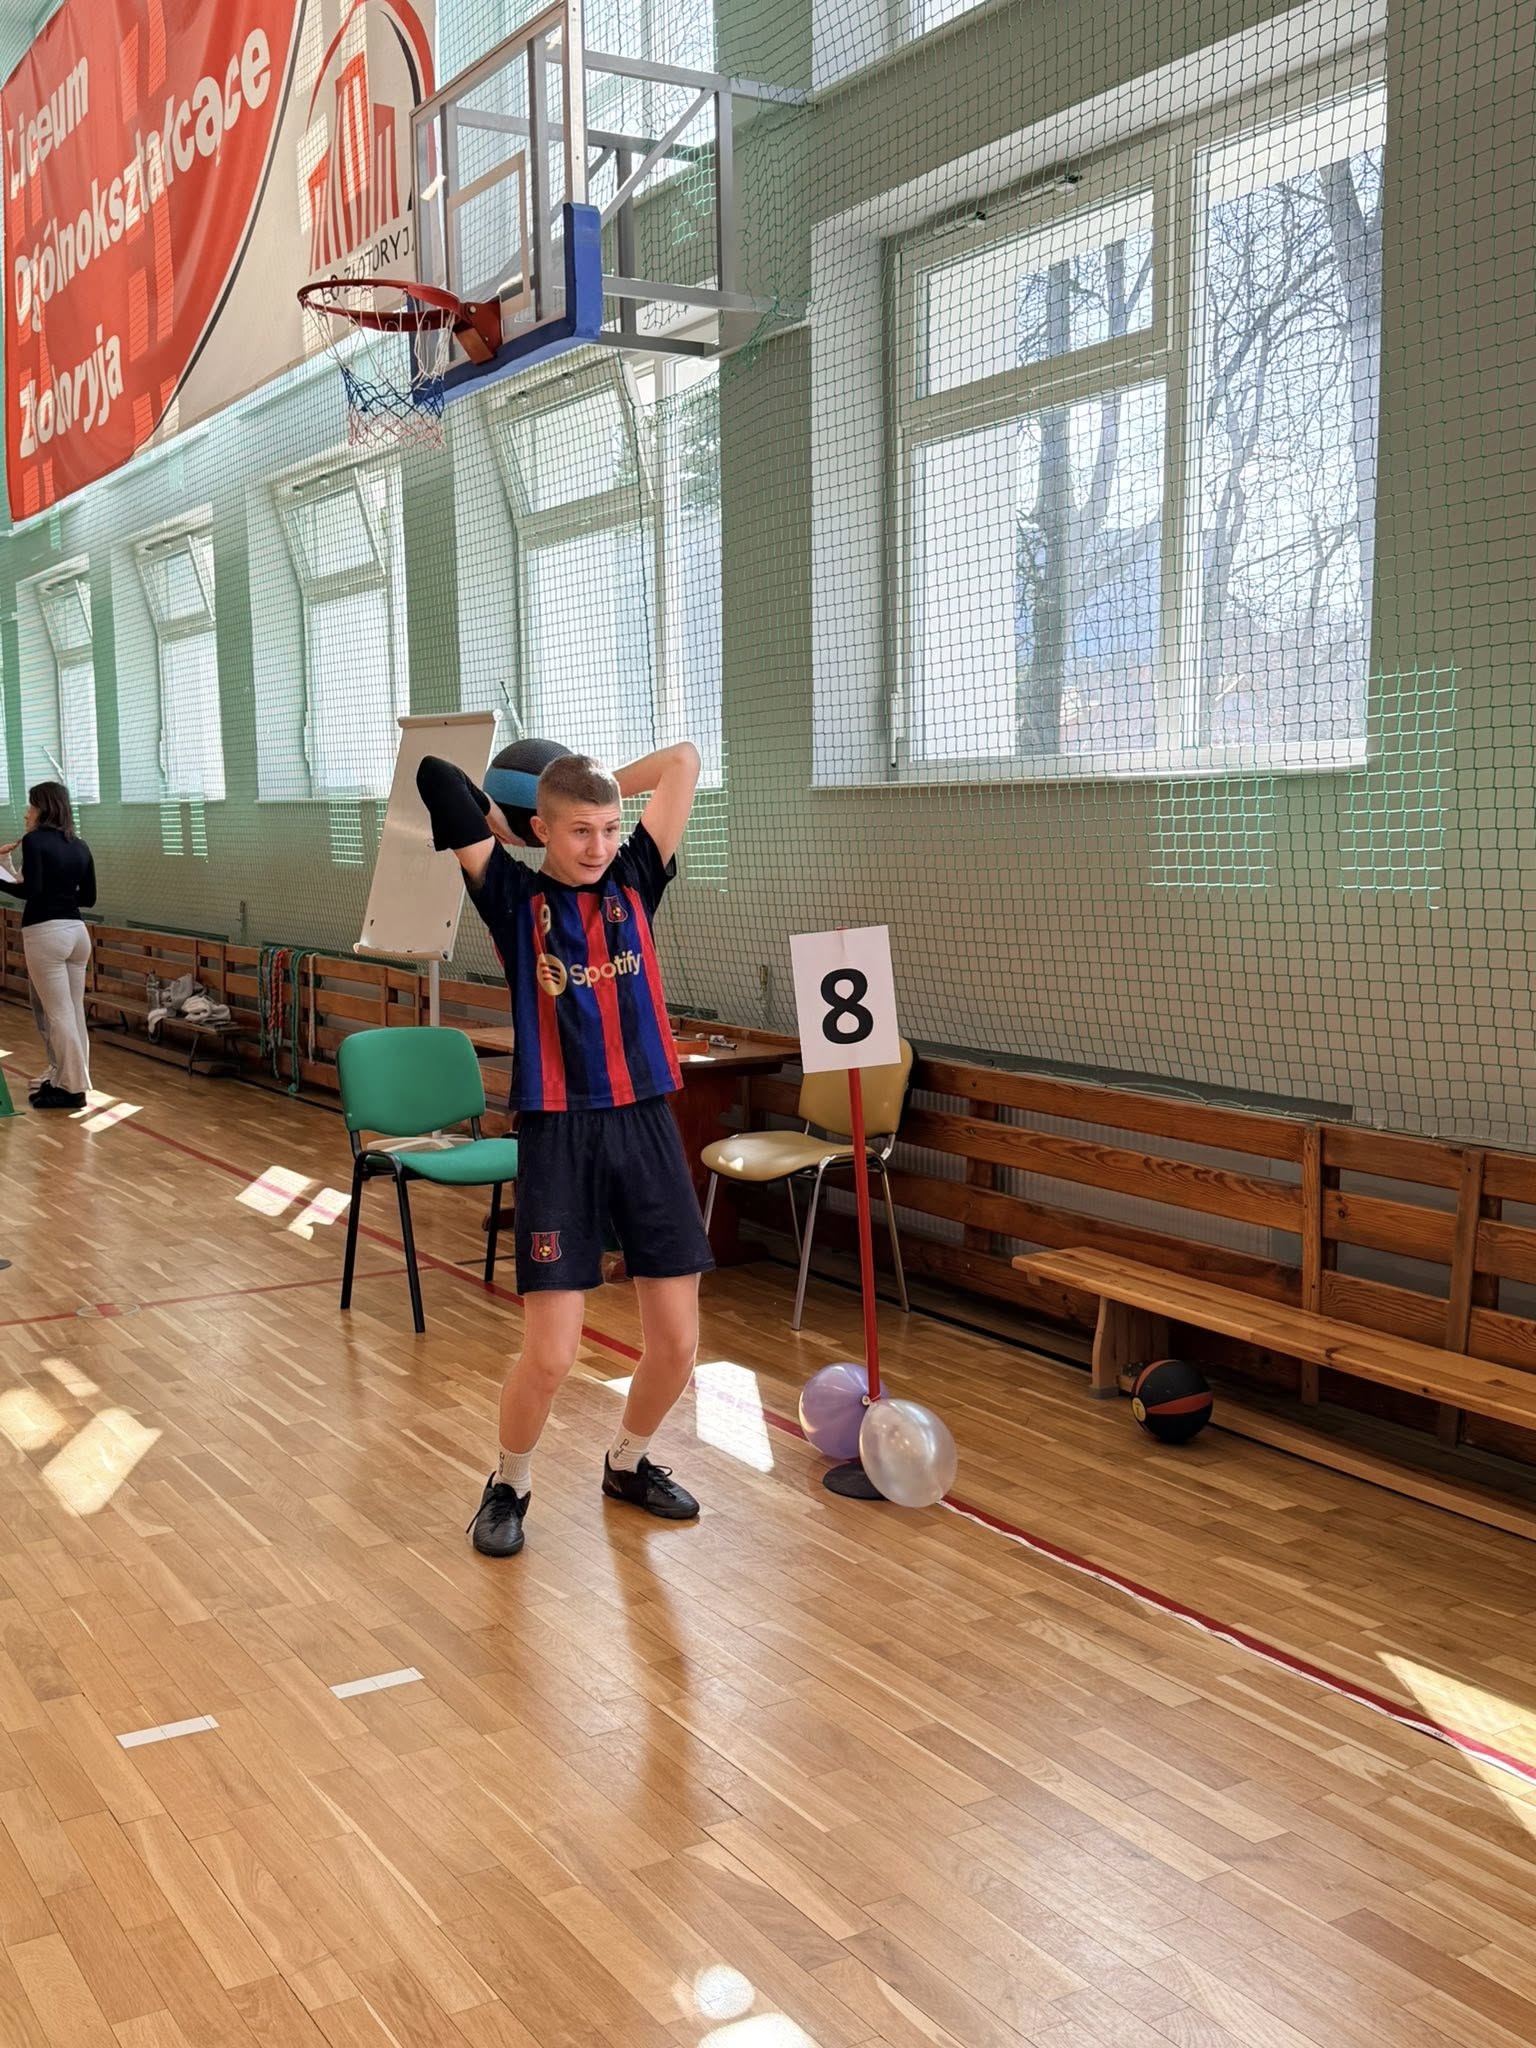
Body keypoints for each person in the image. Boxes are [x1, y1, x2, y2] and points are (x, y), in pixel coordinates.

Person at [415, 741, 712, 1557]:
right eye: (580, 830)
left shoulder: (637, 876)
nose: (599, 846)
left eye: (610, 827)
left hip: (645, 1121)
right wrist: (509, 823)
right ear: (542, 829)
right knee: (551, 1354)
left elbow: (684, 761)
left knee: (678, 1344)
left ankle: (628, 1463)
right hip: (557, 1130)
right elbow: (435, 776)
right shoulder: (512, 897)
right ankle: (508, 1483)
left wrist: (599, 782)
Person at [0, 781, 96, 1111]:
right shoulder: (80, 845)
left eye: (30, 806)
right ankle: (66, 1079)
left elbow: (31, 892)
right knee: (73, 1013)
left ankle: (71, 1088)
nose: (26, 813)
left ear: (42, 808)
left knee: (57, 1014)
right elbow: (88, 897)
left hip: (46, 934)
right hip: (77, 934)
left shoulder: (34, 840)